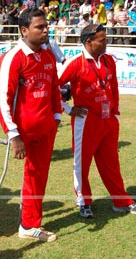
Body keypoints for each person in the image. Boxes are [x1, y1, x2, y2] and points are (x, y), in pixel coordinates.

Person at [0, 8, 62, 242]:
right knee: (33, 175)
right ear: (24, 31)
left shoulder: (48, 55)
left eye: (46, 27)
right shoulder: (13, 58)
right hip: (24, 132)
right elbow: (3, 97)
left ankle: (29, 223)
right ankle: (29, 224)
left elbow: (54, 89)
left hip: (46, 128)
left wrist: (56, 116)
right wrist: (14, 136)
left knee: (38, 175)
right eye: (39, 27)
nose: (46, 31)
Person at [59, 24, 136, 218]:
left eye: (106, 39)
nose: (106, 43)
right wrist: (68, 109)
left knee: (111, 163)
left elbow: (114, 88)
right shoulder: (75, 62)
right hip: (86, 121)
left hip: (108, 120)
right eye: (102, 40)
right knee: (82, 163)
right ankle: (84, 202)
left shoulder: (109, 60)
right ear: (88, 42)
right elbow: (54, 88)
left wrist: (116, 113)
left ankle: (121, 201)